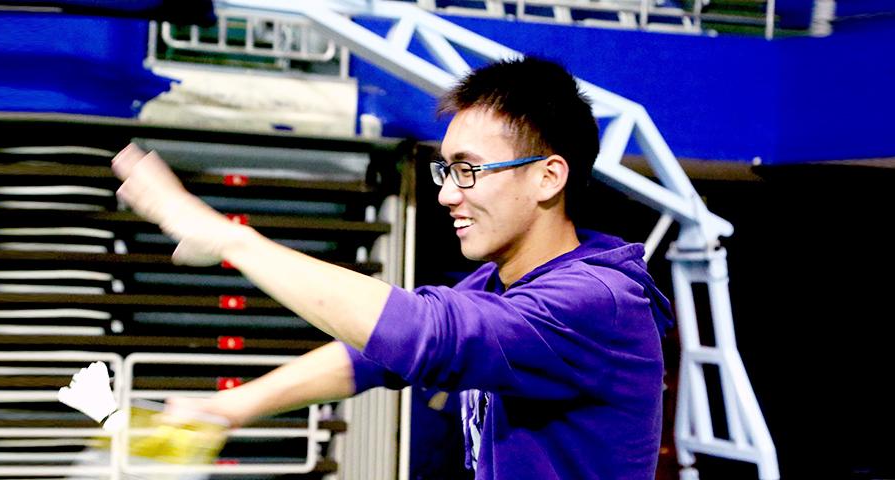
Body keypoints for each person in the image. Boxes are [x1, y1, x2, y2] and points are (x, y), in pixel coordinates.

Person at [112, 56, 672, 479]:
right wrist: (229, 407)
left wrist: (232, 240)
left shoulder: (597, 303)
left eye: (468, 170)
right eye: (444, 172)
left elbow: (425, 336)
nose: (448, 194)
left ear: (549, 176)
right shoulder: (508, 284)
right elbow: (370, 357)